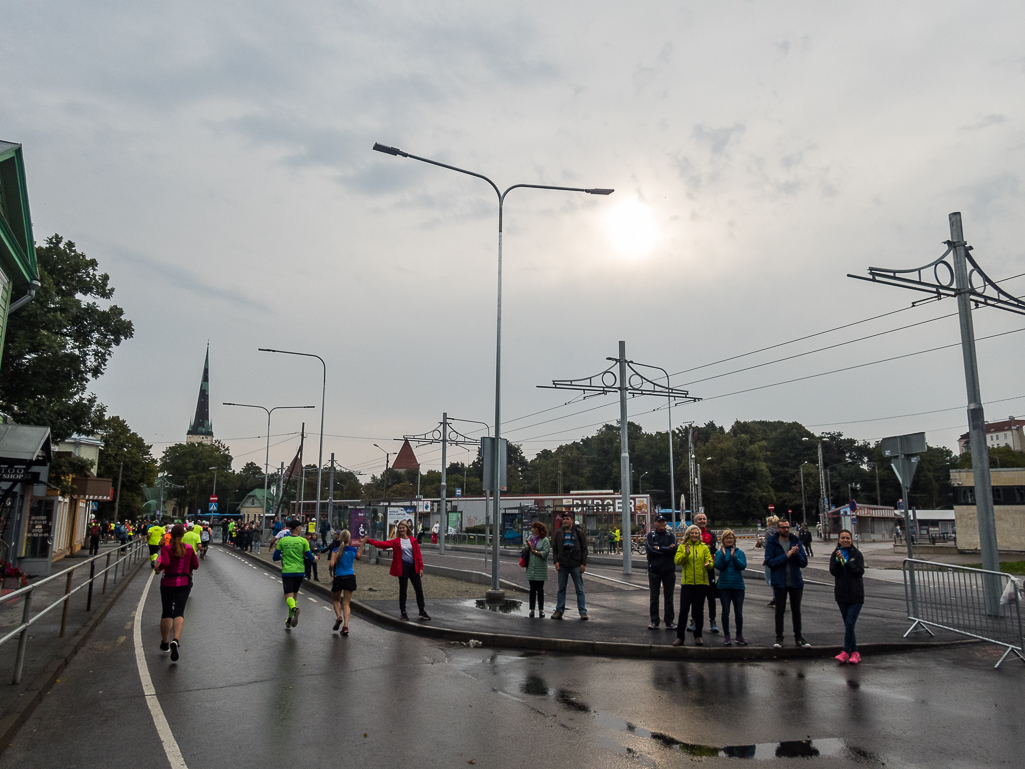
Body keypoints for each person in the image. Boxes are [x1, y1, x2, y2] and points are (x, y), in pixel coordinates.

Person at [367, 521, 431, 621]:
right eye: (400, 528)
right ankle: (403, 612)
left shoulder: (413, 540)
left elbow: (418, 555)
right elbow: (382, 545)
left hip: (413, 568)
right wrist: (369, 541)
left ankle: (422, 610)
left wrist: (421, 568)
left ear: (407, 528)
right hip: (403, 568)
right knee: (403, 590)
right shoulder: (396, 541)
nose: (401, 530)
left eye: (403, 528)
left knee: (419, 589)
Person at [155, 524, 199, 662]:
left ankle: (165, 643)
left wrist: (158, 568)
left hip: (168, 583)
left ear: (171, 535)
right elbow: (196, 566)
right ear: (183, 535)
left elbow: (166, 563)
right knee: (179, 612)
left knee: (166, 612)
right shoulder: (189, 549)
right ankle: (176, 640)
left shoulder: (166, 548)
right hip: (184, 584)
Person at [765, 519, 811, 648]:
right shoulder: (772, 542)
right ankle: (779, 637)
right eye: (783, 528)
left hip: (795, 581)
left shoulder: (795, 541)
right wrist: (786, 555)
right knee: (780, 611)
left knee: (796, 611)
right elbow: (770, 562)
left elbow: (804, 563)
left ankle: (799, 637)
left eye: (788, 527)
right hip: (780, 582)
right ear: (778, 529)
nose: (786, 530)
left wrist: (796, 555)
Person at [829, 529, 865, 664]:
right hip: (842, 594)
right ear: (839, 540)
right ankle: (855, 652)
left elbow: (859, 571)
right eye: (843, 538)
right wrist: (838, 562)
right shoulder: (835, 554)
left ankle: (845, 651)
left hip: (856, 595)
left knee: (850, 623)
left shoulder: (857, 554)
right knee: (848, 625)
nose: (845, 540)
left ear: (851, 540)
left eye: (847, 538)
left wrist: (847, 562)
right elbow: (833, 572)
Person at [673, 525, 712, 646]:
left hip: (701, 583)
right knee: (683, 610)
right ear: (688, 534)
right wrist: (686, 553)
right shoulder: (682, 547)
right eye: (692, 533)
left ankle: (698, 635)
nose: (695, 535)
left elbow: (710, 562)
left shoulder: (704, 547)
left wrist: (708, 564)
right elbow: (677, 561)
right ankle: (680, 637)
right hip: (687, 583)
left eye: (696, 533)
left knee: (698, 611)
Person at [273, 519, 316, 629]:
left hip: (287, 571)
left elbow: (275, 557)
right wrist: (314, 558)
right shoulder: (303, 541)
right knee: (295, 595)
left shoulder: (283, 541)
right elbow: (310, 557)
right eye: (300, 526)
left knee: (288, 596)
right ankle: (289, 619)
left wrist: (283, 555)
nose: (301, 528)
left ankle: (294, 610)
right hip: (300, 572)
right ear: (297, 528)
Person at [550, 515, 588, 620]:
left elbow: (584, 548)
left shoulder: (579, 532)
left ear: (572, 520)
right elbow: (555, 548)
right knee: (561, 588)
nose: (565, 521)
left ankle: (583, 611)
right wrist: (556, 561)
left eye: (567, 519)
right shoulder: (559, 532)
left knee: (579, 589)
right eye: (564, 519)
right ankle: (559, 610)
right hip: (563, 564)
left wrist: (583, 563)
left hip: (575, 564)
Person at [714, 529, 747, 646]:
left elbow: (742, 566)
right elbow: (718, 567)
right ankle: (727, 635)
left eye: (731, 538)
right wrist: (723, 556)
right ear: (723, 540)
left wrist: (734, 557)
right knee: (726, 611)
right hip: (724, 586)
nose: (729, 540)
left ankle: (739, 635)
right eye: (727, 538)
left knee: (739, 612)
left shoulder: (740, 552)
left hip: (738, 586)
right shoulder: (719, 553)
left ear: (734, 540)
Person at [645, 515, 678, 630]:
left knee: (669, 597)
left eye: (663, 521)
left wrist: (659, 548)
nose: (661, 523)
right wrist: (666, 549)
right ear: (655, 523)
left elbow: (674, 550)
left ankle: (669, 621)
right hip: (654, 570)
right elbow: (650, 550)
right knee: (654, 598)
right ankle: (654, 621)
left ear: (666, 523)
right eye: (659, 522)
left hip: (669, 570)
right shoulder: (651, 535)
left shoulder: (671, 535)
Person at [691, 513, 719, 634]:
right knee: (695, 597)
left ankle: (712, 620)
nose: (702, 521)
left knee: (711, 596)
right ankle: (694, 620)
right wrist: (705, 546)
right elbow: (689, 547)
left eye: (704, 519)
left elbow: (714, 549)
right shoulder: (692, 533)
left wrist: (701, 547)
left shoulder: (711, 535)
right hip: (695, 569)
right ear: (695, 521)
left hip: (709, 569)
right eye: (700, 519)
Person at [329, 530, 362, 635]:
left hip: (339, 576)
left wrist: (331, 571)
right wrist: (362, 545)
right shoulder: (353, 550)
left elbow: (331, 564)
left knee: (336, 600)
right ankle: (346, 626)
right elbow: (359, 557)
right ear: (350, 538)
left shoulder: (335, 550)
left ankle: (338, 616)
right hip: (350, 576)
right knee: (346, 603)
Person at [525, 521, 551, 618]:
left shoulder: (545, 540)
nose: (532, 530)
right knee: (532, 589)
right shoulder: (531, 539)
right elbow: (525, 550)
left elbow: (545, 554)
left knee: (540, 589)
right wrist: (528, 547)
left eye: (534, 528)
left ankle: (541, 610)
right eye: (532, 528)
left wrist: (534, 550)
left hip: (540, 568)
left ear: (539, 529)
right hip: (531, 567)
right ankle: (532, 609)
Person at [759, 515, 780, 607]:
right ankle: (775, 598)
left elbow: (768, 546)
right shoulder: (779, 531)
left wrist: (761, 543)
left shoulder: (768, 532)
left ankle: (779, 593)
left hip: (771, 558)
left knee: (768, 578)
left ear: (770, 523)